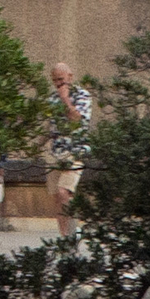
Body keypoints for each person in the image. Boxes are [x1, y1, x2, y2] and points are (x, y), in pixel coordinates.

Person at [45, 61, 94, 238]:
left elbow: (77, 120)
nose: (59, 84)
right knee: (57, 197)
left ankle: (72, 229)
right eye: (55, 81)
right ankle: (65, 234)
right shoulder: (51, 98)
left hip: (75, 151)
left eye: (61, 79)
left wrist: (65, 98)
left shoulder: (83, 95)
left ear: (70, 77)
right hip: (56, 152)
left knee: (63, 191)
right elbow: (50, 127)